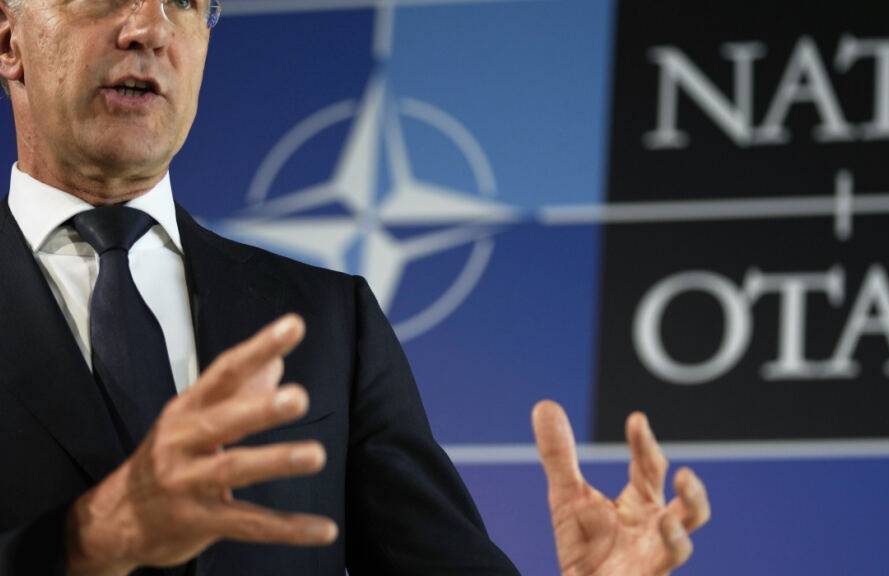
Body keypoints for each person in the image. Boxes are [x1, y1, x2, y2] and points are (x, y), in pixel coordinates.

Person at [0, 1, 711, 574]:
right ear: (9, 37)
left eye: (184, 2)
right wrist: (89, 541)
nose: (150, 28)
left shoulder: (331, 321)